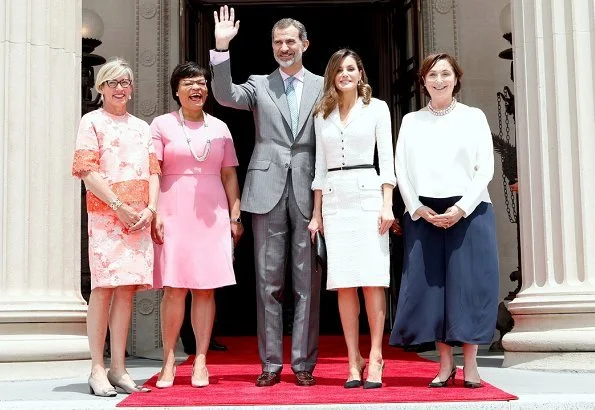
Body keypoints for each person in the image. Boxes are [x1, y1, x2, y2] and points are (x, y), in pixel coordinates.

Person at [209, 5, 324, 387]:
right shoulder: (259, 84)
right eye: (278, 42)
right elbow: (225, 95)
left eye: (291, 41)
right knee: (267, 281)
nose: (284, 47)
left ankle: (303, 364)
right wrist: (222, 49)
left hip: (310, 190)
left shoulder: (325, 86)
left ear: (305, 44)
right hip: (266, 189)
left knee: (306, 281)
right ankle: (271, 363)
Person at [389, 53, 499, 389]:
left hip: (470, 211)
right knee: (434, 290)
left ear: (456, 78)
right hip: (425, 214)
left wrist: (462, 208)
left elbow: (486, 168)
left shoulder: (473, 117)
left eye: (445, 74)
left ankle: (471, 364)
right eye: (432, 75)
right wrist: (416, 208)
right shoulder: (411, 121)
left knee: (469, 288)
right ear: (423, 81)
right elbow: (401, 170)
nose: (439, 80)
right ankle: (445, 364)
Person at [150, 62, 243, 388]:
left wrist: (235, 215)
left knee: (205, 289)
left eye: (202, 83)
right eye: (189, 82)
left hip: (212, 212)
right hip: (173, 210)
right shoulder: (161, 124)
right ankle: (169, 361)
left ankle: (201, 360)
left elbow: (229, 174)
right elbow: (155, 171)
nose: (197, 88)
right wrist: (154, 211)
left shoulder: (220, 127)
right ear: (176, 89)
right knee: (174, 289)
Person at [71, 58, 160, 396]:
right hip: (108, 215)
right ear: (101, 87)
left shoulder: (142, 126)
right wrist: (119, 207)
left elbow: (153, 171)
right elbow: (87, 171)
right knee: (104, 288)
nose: (120, 88)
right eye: (113, 83)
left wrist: (150, 209)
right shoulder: (91, 121)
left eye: (125, 82)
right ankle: (97, 367)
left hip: (138, 218)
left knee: (126, 290)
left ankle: (119, 368)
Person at [308, 49, 395, 389]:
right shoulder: (322, 113)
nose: (345, 74)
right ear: (332, 75)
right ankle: (352, 359)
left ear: (360, 73)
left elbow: (386, 160)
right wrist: (316, 214)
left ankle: (375, 355)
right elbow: (318, 169)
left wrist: (387, 205)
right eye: (338, 70)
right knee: (343, 283)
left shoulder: (377, 108)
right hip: (334, 200)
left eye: (350, 68)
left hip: (368, 196)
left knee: (372, 279)